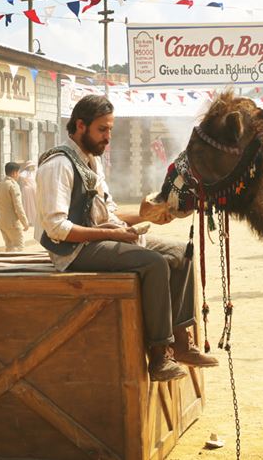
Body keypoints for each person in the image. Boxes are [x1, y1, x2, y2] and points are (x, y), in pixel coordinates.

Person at [36, 95, 218, 382]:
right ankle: (159, 357)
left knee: (183, 252)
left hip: (101, 239)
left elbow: (109, 212)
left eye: (110, 129)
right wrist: (114, 234)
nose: (108, 137)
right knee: (154, 263)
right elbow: (57, 228)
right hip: (73, 251)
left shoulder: (91, 162)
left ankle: (182, 342)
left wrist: (151, 215)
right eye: (102, 130)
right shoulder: (58, 165)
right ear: (80, 126)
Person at [0, 162, 29, 252]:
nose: (19, 175)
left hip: (1, 222)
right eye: (18, 172)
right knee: (19, 247)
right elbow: (18, 206)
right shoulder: (13, 185)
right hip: (12, 223)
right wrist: (25, 222)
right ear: (14, 173)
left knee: (9, 247)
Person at [18, 160, 38, 238]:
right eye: (31, 166)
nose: (32, 168)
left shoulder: (34, 173)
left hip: (34, 190)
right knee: (28, 205)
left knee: (34, 205)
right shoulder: (24, 173)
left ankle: (33, 220)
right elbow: (21, 177)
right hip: (27, 191)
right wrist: (25, 180)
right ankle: (28, 220)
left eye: (33, 166)